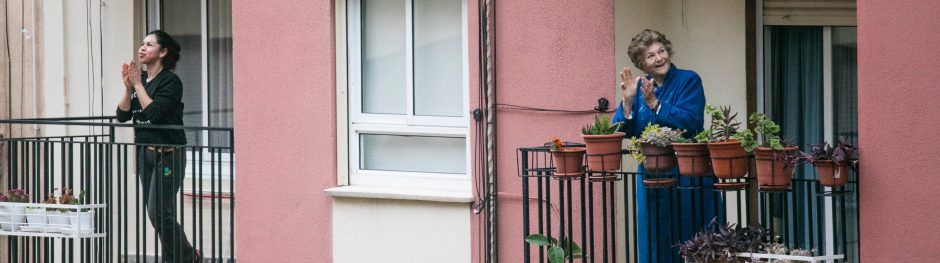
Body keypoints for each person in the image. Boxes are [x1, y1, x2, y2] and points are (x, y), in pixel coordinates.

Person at [613, 29, 721, 262]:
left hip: (688, 176)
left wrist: (655, 104)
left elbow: (691, 122)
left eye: (661, 51)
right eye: (651, 56)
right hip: (652, 179)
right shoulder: (639, 88)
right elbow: (620, 130)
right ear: (642, 63)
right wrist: (628, 101)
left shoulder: (688, 80)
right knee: (654, 241)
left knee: (692, 240)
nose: (659, 58)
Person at [116, 30, 200, 262]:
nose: (142, 48)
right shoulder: (139, 81)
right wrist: (128, 89)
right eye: (142, 43)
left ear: (163, 52)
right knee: (159, 215)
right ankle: (175, 258)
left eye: (149, 45)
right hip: (146, 154)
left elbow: (154, 114)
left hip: (169, 155)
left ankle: (188, 257)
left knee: (159, 213)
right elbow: (122, 116)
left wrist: (138, 87)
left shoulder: (171, 82)